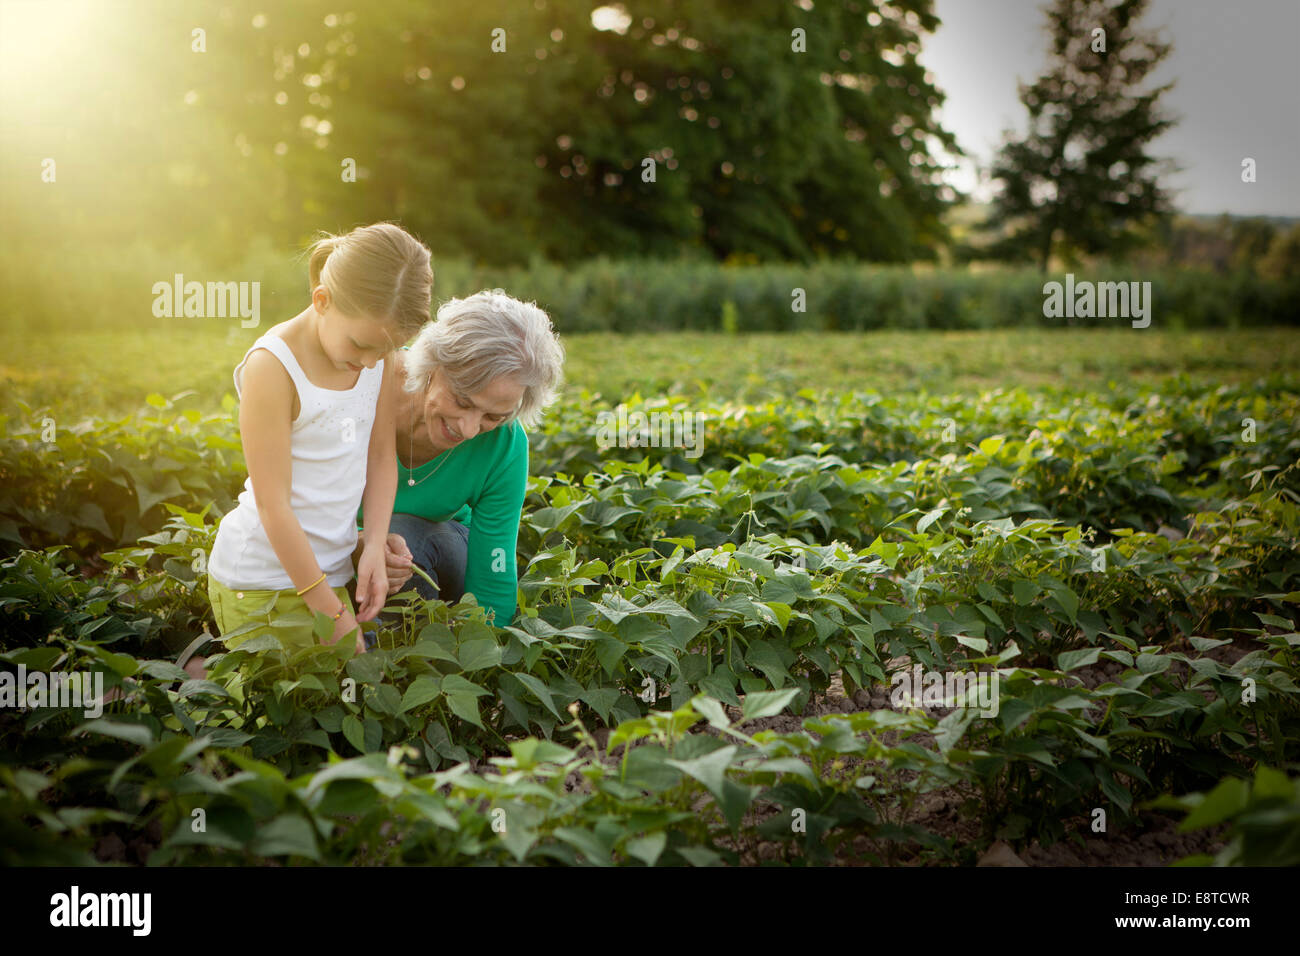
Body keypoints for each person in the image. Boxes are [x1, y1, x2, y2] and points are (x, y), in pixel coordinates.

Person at [196, 222, 433, 671]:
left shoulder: (378, 357)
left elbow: (381, 456)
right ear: (321, 300)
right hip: (262, 578)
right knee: (271, 719)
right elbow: (273, 505)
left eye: (384, 351)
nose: (368, 363)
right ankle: (186, 676)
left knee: (341, 700)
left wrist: (374, 550)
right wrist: (329, 609)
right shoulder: (272, 367)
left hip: (329, 573)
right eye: (361, 345)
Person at [356, 290, 565, 634]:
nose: (469, 430)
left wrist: (482, 657)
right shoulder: (364, 385)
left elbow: (493, 572)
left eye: (493, 416)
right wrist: (359, 542)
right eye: (461, 400)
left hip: (438, 549)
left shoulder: (504, 445)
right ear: (434, 364)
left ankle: (399, 661)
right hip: (340, 545)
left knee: (404, 540)